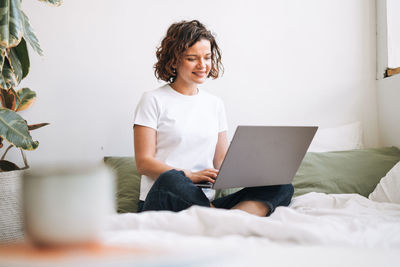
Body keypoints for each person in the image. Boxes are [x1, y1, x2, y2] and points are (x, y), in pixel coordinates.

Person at [133, 20, 293, 216]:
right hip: (165, 197)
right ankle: (225, 219)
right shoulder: (152, 100)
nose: (203, 65)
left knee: (283, 186)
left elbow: (221, 161)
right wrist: (189, 176)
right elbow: (143, 163)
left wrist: (259, 169)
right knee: (172, 179)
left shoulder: (214, 103)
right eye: (192, 58)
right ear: (174, 60)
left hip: (204, 202)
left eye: (207, 57)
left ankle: (224, 219)